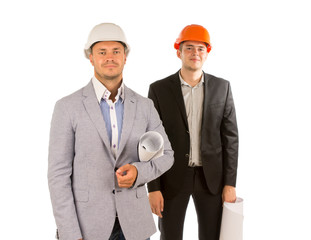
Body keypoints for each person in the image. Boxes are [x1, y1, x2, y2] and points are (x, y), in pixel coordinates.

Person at [48, 23, 174, 240]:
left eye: (116, 51)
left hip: (135, 226)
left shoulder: (144, 106)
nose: (110, 58)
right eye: (102, 52)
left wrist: (138, 173)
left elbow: (168, 156)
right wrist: (70, 232)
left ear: (125, 57)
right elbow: (58, 175)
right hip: (87, 227)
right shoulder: (67, 107)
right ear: (91, 58)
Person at [147, 24, 239, 240]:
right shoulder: (159, 90)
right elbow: (150, 140)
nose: (195, 53)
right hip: (171, 177)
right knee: (170, 235)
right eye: (189, 48)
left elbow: (231, 139)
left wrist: (230, 183)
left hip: (212, 179)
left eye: (200, 48)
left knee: (211, 235)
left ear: (207, 53)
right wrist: (153, 187)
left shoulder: (222, 88)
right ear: (178, 51)